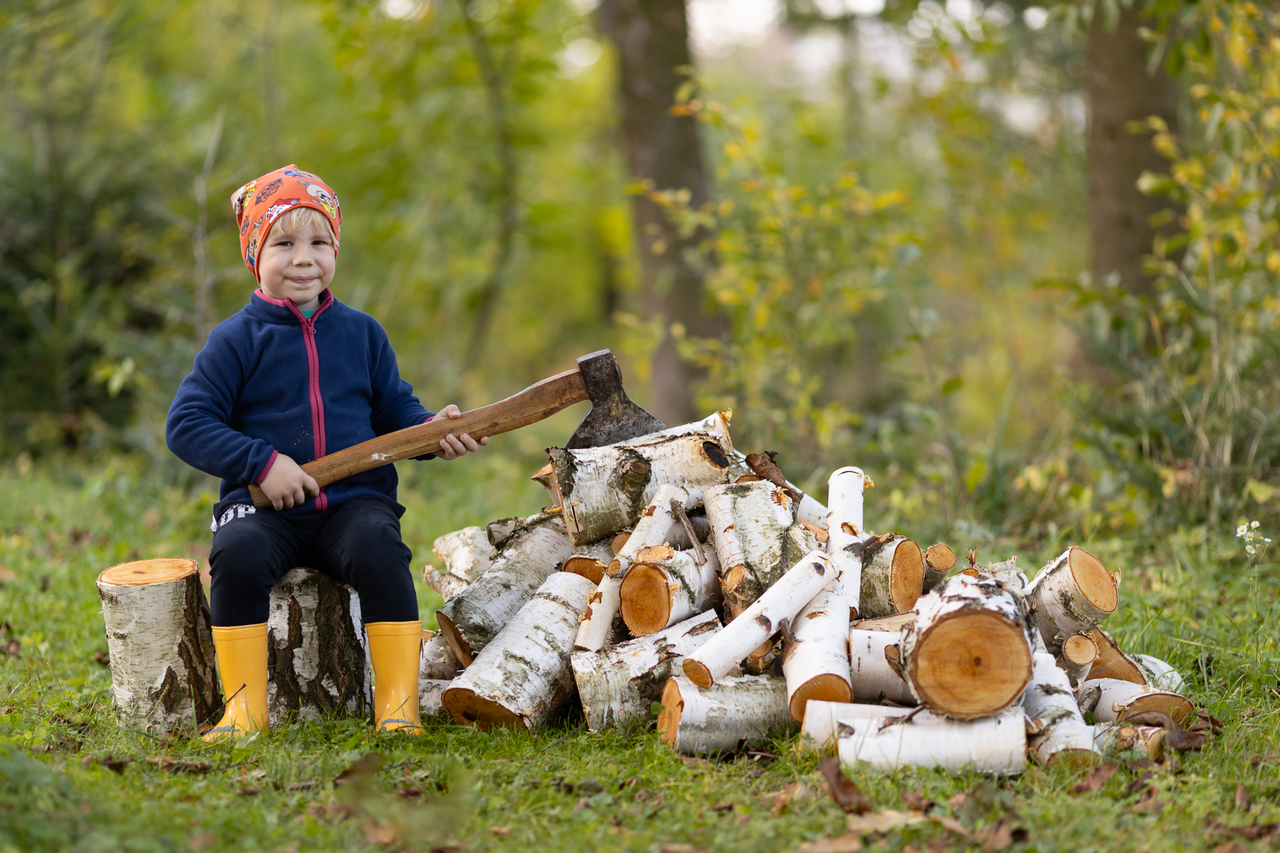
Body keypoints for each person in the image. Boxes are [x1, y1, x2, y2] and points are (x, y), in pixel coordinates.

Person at [166, 165, 485, 740]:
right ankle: (244, 711)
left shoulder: (362, 334)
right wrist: (262, 463)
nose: (304, 258)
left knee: (382, 549)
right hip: (263, 510)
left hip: (353, 505)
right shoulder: (236, 340)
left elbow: (395, 415)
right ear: (254, 255)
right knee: (235, 555)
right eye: (283, 243)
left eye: (319, 242)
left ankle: (396, 707)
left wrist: (432, 433)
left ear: (336, 248)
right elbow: (187, 423)